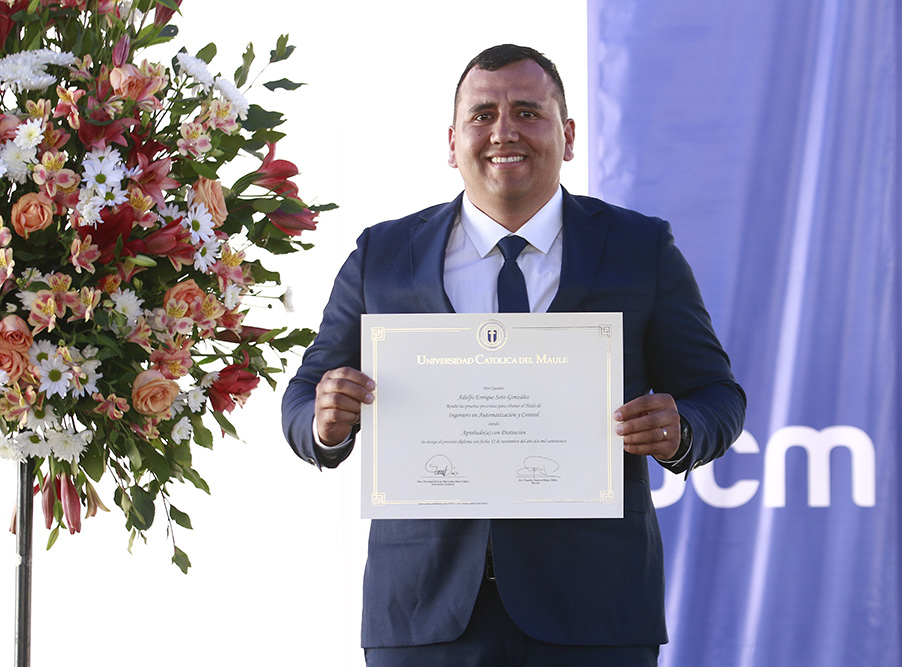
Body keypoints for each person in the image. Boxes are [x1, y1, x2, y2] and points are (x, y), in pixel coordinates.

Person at [282, 44, 745, 666]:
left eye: (528, 112)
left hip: (596, 611)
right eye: (482, 115)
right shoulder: (383, 256)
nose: (504, 131)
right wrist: (325, 421)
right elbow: (303, 394)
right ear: (452, 143)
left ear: (568, 135)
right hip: (422, 612)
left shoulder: (641, 249)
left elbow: (718, 395)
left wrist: (681, 429)